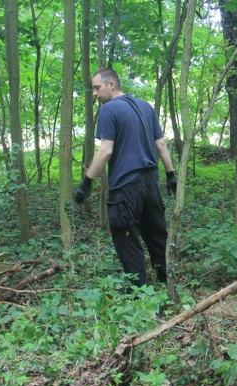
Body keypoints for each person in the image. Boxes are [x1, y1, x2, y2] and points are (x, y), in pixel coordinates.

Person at [74, 67, 177, 289]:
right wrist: (171, 175)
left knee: (128, 240)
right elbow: (161, 144)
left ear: (111, 85)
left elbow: (105, 151)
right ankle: (168, 287)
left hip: (126, 187)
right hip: (151, 184)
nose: (94, 93)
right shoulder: (146, 107)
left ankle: (142, 298)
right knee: (157, 238)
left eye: (97, 87)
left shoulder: (108, 110)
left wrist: (86, 182)